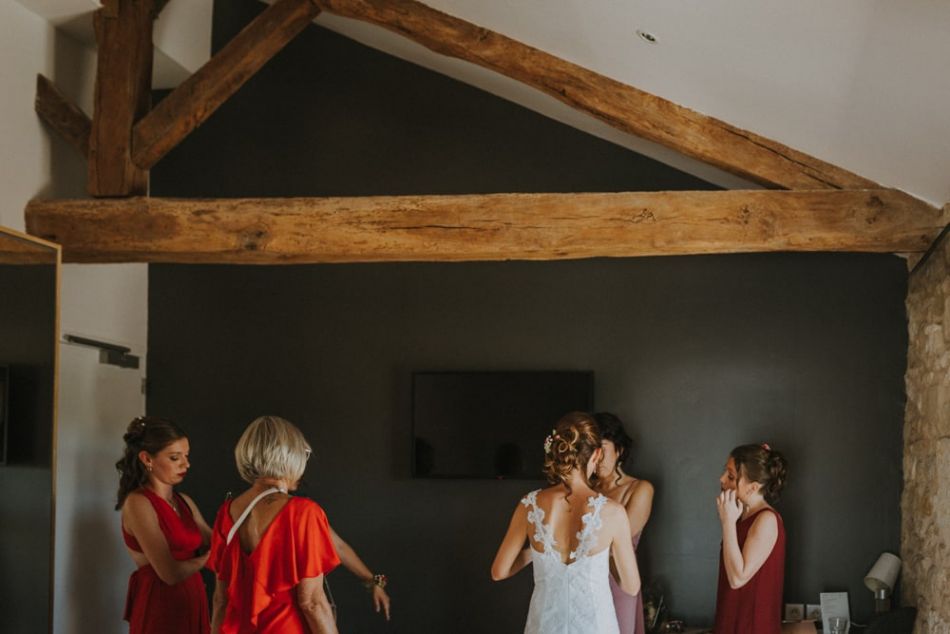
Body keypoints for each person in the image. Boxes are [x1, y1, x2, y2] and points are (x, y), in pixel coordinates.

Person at [209, 415, 390, 633]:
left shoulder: (226, 512)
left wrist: (372, 581)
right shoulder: (303, 512)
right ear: (291, 456)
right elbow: (312, 602)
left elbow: (220, 599)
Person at [491, 411, 641, 634]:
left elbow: (499, 572)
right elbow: (631, 586)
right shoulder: (613, 513)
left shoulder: (529, 505)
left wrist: (537, 551)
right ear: (596, 455)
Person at [116, 416, 212, 634]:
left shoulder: (184, 501)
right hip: (160, 606)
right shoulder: (138, 503)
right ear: (147, 459)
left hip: (192, 601)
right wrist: (207, 559)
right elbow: (169, 572)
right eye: (175, 457)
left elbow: (215, 539)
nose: (186, 464)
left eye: (186, 456)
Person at [714, 443, 788, 634]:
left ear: (752, 487)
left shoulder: (767, 520)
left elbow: (738, 578)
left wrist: (727, 523)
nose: (721, 479)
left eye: (731, 476)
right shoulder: (740, 517)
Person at [594, 412, 654, 634]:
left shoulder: (640, 489)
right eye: (590, 450)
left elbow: (619, 542)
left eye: (602, 449)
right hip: (583, 581)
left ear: (619, 449)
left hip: (618, 579)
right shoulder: (584, 492)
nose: (596, 457)